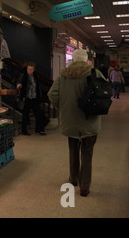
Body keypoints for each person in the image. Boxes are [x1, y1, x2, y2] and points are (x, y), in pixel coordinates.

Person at [47, 49, 105, 197]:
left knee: (73, 151)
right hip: (90, 121)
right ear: (86, 60)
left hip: (70, 121)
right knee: (87, 154)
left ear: (73, 59)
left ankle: (73, 179)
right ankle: (84, 187)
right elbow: (105, 93)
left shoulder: (63, 76)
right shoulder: (95, 73)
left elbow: (52, 94)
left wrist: (64, 108)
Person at [16, 62, 49, 135]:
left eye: (31, 69)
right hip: (27, 98)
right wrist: (19, 84)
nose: (29, 71)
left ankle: (39, 130)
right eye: (28, 69)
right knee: (25, 114)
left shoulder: (35, 76)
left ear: (34, 70)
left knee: (39, 113)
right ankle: (24, 131)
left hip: (34, 98)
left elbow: (37, 87)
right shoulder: (24, 75)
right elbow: (19, 81)